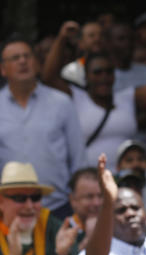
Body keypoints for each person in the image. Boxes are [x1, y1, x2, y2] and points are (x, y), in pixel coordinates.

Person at [42, 24, 146, 169]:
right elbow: (49, 78)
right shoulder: (76, 97)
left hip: (127, 181)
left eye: (108, 71)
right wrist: (62, 38)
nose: (104, 77)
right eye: (97, 72)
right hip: (90, 181)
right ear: (86, 76)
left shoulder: (127, 97)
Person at [0, 36, 84, 217]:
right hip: (9, 209)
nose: (22, 61)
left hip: (59, 206)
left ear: (37, 63)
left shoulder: (61, 102)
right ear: (3, 69)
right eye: (15, 58)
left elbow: (78, 157)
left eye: (27, 56)